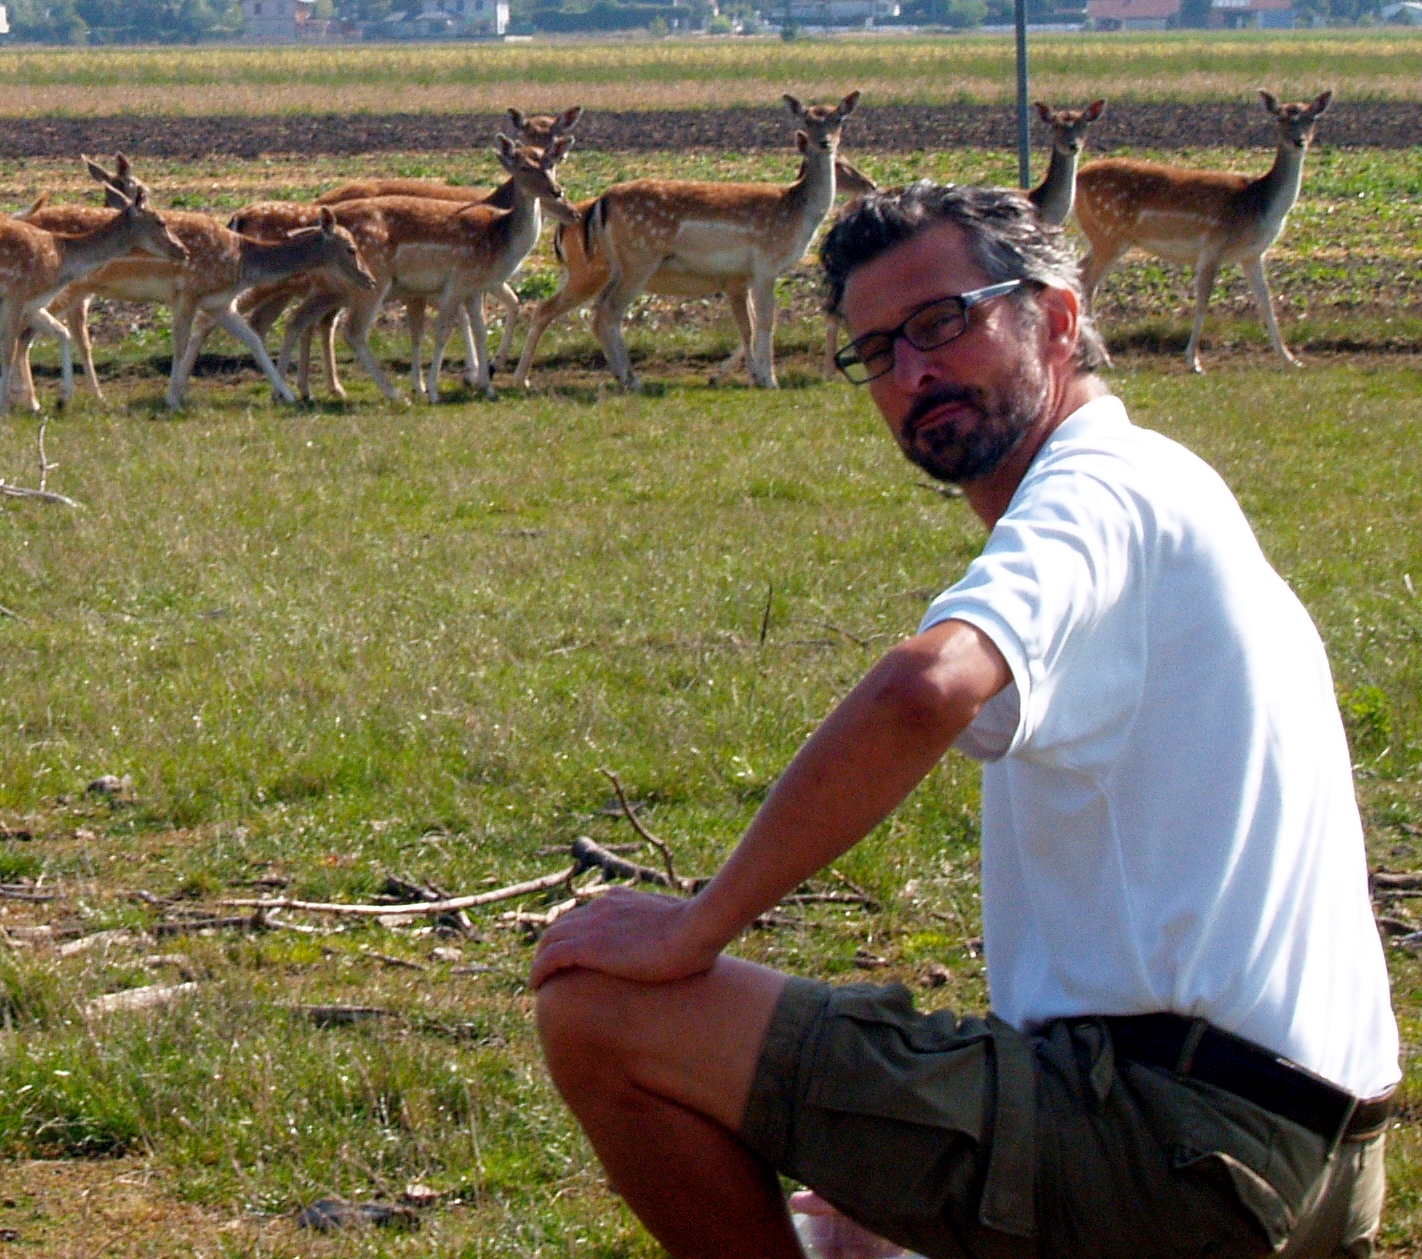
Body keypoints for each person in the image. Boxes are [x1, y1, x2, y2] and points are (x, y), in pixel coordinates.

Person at [530, 182, 1399, 1259]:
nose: (911, 373)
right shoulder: (1165, 487)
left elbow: (922, 690)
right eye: (876, 349)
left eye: (944, 322)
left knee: (601, 1011)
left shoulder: (1093, 494)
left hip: (1187, 1151)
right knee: (863, 1234)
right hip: (1309, 1152)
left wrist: (692, 925)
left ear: (1059, 317)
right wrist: (882, 1178)